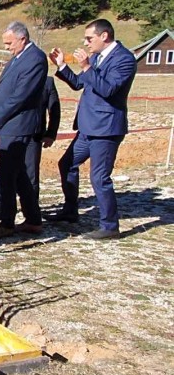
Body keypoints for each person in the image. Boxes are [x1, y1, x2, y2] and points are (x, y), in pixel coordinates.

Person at [46, 19, 136, 239]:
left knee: (99, 178)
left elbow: (108, 89)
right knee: (67, 163)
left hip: (106, 129)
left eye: (89, 38)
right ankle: (70, 211)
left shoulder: (124, 59)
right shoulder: (97, 57)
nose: (85, 43)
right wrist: (62, 66)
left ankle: (110, 226)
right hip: (87, 128)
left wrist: (86, 66)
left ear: (104, 36)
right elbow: (80, 84)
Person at [0, 22, 48, 239]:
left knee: (7, 175)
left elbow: (21, 95)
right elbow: (2, 91)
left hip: (18, 124)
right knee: (20, 176)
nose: (7, 47)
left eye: (9, 43)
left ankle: (7, 222)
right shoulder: (18, 58)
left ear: (23, 38)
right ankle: (33, 219)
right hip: (7, 124)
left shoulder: (35, 59)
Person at [0, 75, 61, 217]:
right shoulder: (13, 78)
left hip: (34, 136)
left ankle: (31, 212)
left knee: (31, 174)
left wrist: (51, 133)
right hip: (10, 134)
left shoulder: (47, 82)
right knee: (4, 170)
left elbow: (54, 109)